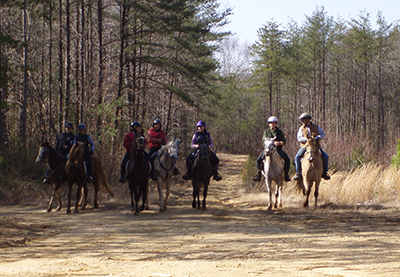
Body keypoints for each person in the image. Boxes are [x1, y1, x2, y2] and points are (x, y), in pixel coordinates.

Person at [252, 116, 291, 182]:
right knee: (259, 160)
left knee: (287, 159)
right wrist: (269, 142)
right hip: (267, 149)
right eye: (270, 123)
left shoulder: (279, 132)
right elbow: (263, 140)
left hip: (278, 150)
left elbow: (284, 142)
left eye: (273, 123)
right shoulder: (266, 132)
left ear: (275, 124)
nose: (272, 124)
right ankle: (258, 175)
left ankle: (286, 175)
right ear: (269, 124)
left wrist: (278, 143)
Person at [293, 113, 330, 181]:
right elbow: (299, 138)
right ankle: (298, 173)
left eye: (303, 120)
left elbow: (323, 134)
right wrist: (306, 139)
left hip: (315, 147)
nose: (302, 122)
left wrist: (318, 137)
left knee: (326, 156)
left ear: (308, 120)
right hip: (305, 146)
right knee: (297, 157)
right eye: (302, 120)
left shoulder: (316, 127)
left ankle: (325, 172)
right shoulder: (301, 128)